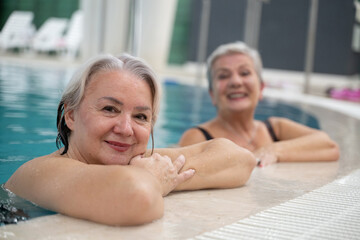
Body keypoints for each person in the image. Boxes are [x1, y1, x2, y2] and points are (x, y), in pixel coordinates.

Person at [4, 54, 256, 226]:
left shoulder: (128, 163)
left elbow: (239, 160)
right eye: (109, 109)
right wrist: (154, 178)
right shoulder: (42, 172)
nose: (126, 129)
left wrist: (151, 174)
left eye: (140, 116)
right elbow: (138, 198)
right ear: (70, 116)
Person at [179, 41, 339, 167]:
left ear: (261, 88)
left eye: (245, 73)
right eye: (223, 76)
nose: (235, 81)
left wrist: (274, 149)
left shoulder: (276, 129)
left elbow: (329, 146)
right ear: (212, 94)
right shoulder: (198, 137)